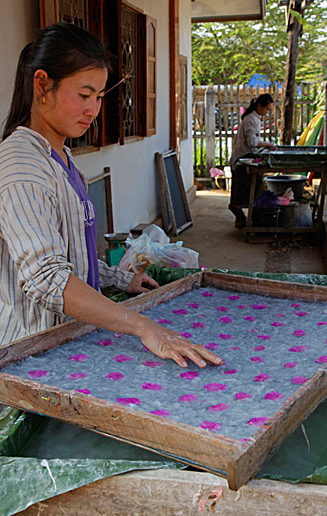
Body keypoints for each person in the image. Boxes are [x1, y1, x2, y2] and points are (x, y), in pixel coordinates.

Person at [0, 22, 222, 370]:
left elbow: (71, 254)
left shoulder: (61, 157)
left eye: (100, 97)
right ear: (42, 85)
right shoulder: (21, 166)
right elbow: (47, 278)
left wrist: (119, 279)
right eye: (84, 95)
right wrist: (143, 327)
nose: (93, 110)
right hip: (32, 354)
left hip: (69, 341)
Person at [228, 94, 276, 228]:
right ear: (259, 106)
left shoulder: (253, 118)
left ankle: (245, 219)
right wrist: (267, 145)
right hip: (242, 161)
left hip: (244, 159)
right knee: (240, 195)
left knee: (251, 190)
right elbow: (252, 142)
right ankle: (242, 218)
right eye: (266, 109)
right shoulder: (251, 120)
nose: (267, 112)